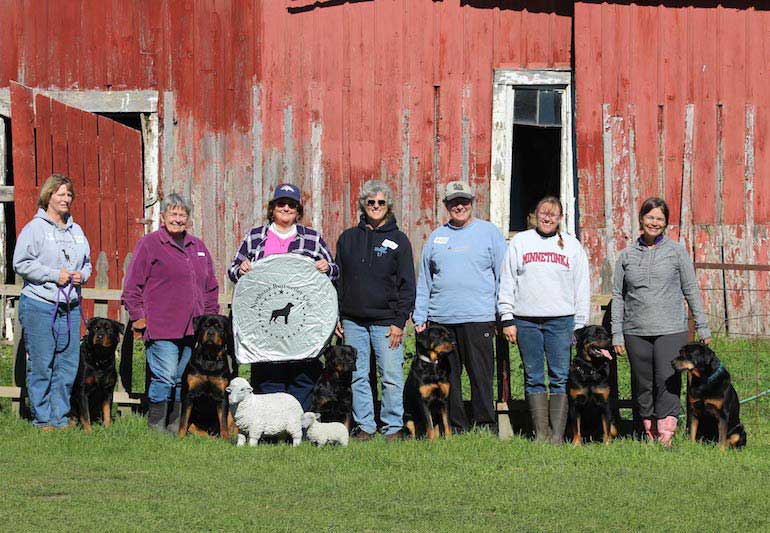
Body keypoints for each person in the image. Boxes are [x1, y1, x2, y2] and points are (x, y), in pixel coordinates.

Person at [228, 183, 338, 411]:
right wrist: (242, 269)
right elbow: (232, 270)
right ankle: (270, 427)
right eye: (281, 204)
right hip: (263, 327)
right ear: (272, 208)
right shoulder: (255, 236)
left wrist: (327, 267)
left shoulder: (313, 238)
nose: (286, 208)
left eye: (291, 205)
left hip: (303, 324)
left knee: (302, 376)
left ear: (298, 210)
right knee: (269, 375)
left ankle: (299, 427)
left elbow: (335, 272)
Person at [611, 196, 710, 445]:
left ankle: (666, 434)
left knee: (668, 379)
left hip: (671, 329)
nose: (654, 222)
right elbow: (618, 296)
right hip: (635, 330)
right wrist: (617, 333)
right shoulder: (626, 256)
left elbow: (690, 289)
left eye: (660, 219)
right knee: (642, 383)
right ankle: (648, 431)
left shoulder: (676, 252)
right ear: (641, 219)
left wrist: (702, 325)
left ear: (665, 223)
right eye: (650, 217)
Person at [413, 181, 507, 433]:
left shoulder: (489, 233)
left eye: (464, 201)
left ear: (472, 202)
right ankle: (456, 425)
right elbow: (425, 278)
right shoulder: (436, 236)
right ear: (446, 205)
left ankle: (485, 423)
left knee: (481, 375)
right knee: (448, 377)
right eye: (454, 202)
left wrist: (503, 314)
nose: (459, 206)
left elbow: (503, 275)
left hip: (478, 317)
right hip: (441, 319)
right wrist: (420, 315)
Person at [122, 193, 219, 432]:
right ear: (163, 217)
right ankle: (157, 427)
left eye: (182, 214)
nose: (178, 219)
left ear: (188, 218)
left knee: (178, 378)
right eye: (173, 214)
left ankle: (175, 427)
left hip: (192, 328)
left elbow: (210, 288)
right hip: (161, 325)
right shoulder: (150, 244)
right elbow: (132, 285)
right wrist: (138, 316)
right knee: (164, 376)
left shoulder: (198, 247)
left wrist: (209, 320)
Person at [498, 196, 590, 444]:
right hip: (526, 320)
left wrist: (579, 324)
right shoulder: (520, 242)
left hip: (561, 321)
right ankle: (541, 433)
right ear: (534, 216)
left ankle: (557, 435)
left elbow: (581, 287)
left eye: (553, 214)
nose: (547, 218)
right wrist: (507, 317)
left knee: (559, 376)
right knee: (533, 376)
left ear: (560, 218)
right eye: (543, 213)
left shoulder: (571, 246)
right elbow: (507, 281)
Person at [335, 180, 416, 441]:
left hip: (386, 322)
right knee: (358, 376)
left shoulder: (399, 240)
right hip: (353, 321)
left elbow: (407, 285)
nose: (376, 206)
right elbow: (339, 281)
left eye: (381, 202)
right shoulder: (348, 238)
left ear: (388, 206)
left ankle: (393, 427)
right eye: (371, 202)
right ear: (363, 205)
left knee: (391, 376)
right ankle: (366, 426)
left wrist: (399, 322)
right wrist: (337, 315)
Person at [13, 174, 92, 430]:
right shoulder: (34, 229)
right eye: (60, 194)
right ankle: (43, 417)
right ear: (48, 196)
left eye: (69, 194)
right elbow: (21, 263)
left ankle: (60, 416)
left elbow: (88, 263)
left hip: (70, 306)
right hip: (40, 304)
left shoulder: (77, 230)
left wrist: (83, 275)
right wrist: (52, 275)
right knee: (42, 363)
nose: (66, 199)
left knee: (67, 365)